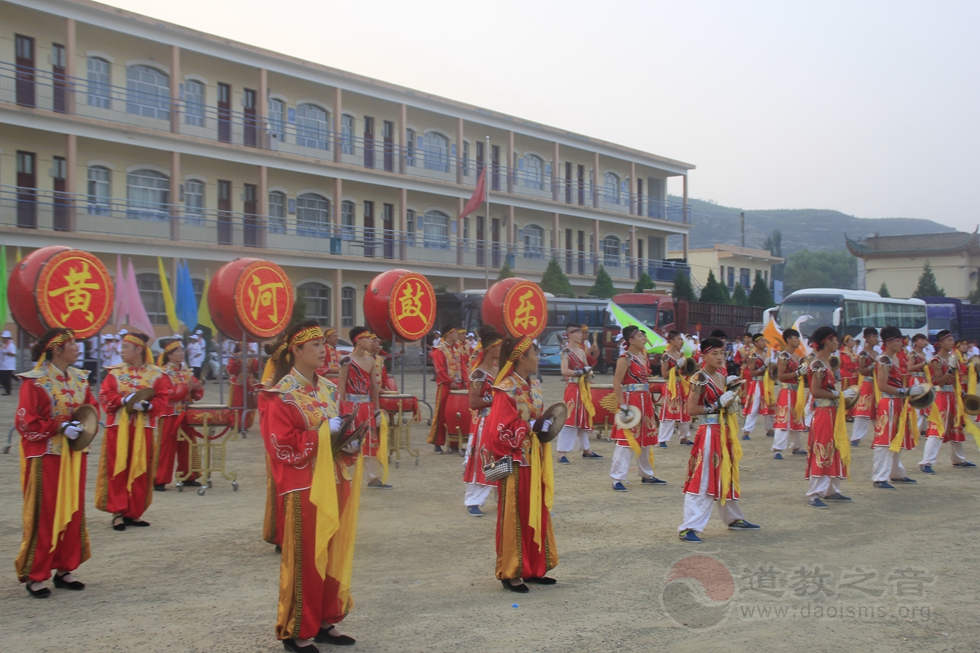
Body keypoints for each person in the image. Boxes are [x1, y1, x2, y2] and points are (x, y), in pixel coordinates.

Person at [260, 320, 360, 652]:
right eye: (315, 345)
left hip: (335, 480)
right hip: (304, 486)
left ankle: (325, 620)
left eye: (323, 344)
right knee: (306, 558)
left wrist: (349, 441)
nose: (323, 350)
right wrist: (323, 435)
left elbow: (341, 427)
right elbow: (281, 446)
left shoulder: (329, 390)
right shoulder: (281, 394)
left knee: (332, 552)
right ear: (296, 351)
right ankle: (298, 629)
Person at [15, 328, 99, 597]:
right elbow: (26, 421)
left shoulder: (80, 378)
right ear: (56, 349)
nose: (77, 347)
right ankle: (36, 574)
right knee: (45, 512)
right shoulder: (36, 381)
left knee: (73, 511)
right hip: (46, 456)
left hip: (73, 454)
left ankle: (65, 568)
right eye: (72, 344)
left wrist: (82, 427)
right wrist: (59, 427)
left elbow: (91, 409)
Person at [485, 335, 558, 592]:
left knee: (536, 510)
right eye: (535, 354)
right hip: (514, 462)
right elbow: (498, 431)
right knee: (514, 515)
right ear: (520, 358)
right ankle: (511, 570)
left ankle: (534, 567)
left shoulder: (533, 386)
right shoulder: (505, 388)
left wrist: (545, 423)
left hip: (534, 460)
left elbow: (536, 420)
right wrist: (530, 426)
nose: (538, 358)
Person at [678, 337, 760, 543]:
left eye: (722, 353)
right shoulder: (699, 378)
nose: (720, 357)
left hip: (724, 431)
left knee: (727, 474)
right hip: (708, 431)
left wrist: (730, 403)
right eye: (714, 353)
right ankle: (689, 525)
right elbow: (692, 409)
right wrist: (716, 406)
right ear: (703, 355)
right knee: (703, 475)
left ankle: (733, 518)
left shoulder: (722, 376)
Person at [96, 332, 172, 531]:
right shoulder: (114, 372)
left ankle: (133, 512)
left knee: (141, 468)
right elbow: (105, 395)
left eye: (126, 348)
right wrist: (123, 401)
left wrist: (147, 407)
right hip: (118, 428)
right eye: (122, 348)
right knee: (118, 467)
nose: (121, 352)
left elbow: (163, 399)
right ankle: (117, 512)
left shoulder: (156, 375)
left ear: (139, 350)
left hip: (143, 428)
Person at [609, 325, 665, 490]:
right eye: (640, 336)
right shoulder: (625, 358)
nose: (644, 338)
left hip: (645, 400)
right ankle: (617, 478)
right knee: (626, 439)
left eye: (643, 336)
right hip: (631, 400)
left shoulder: (643, 356)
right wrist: (623, 406)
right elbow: (617, 382)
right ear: (631, 340)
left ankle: (647, 474)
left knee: (645, 439)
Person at [804, 326, 852, 508]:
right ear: (826, 342)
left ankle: (831, 489)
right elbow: (815, 391)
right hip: (824, 412)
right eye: (834, 340)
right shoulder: (817, 364)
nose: (837, 343)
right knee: (823, 448)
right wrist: (838, 395)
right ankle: (814, 493)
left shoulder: (826, 363)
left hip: (832, 412)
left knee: (835, 446)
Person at [918, 330, 975, 473]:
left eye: (952, 340)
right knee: (937, 427)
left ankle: (958, 459)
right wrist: (951, 369)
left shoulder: (952, 357)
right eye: (949, 341)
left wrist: (961, 393)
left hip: (952, 396)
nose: (952, 343)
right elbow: (939, 382)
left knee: (956, 426)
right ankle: (926, 462)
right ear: (941, 343)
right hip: (941, 397)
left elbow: (955, 380)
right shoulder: (936, 360)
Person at [339, 327, 388, 489]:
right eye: (367, 338)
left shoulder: (371, 361)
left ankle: (373, 478)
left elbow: (374, 387)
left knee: (370, 441)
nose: (371, 341)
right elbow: (342, 387)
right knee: (348, 441)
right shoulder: (346, 361)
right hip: (351, 407)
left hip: (367, 407)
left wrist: (376, 410)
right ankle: (342, 475)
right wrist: (340, 410)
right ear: (358, 340)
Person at [871, 326, 919, 489]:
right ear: (890, 342)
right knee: (884, 440)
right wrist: (904, 391)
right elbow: (882, 385)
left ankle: (896, 473)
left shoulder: (896, 359)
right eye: (899, 341)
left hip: (898, 402)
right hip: (888, 403)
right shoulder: (884, 360)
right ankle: (879, 477)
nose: (902, 344)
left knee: (897, 438)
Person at [153, 339, 205, 491]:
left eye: (182, 351)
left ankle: (189, 475)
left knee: (188, 444)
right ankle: (159, 479)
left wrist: (197, 388)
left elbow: (196, 394)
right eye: (177, 351)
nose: (181, 354)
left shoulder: (186, 371)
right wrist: (186, 387)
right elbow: (168, 394)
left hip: (187, 413)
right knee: (166, 446)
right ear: (169, 355)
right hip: (170, 414)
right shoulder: (162, 373)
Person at [463, 327, 503, 517]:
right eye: (499, 346)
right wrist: (496, 399)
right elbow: (473, 402)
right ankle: (473, 500)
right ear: (490, 348)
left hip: (499, 420)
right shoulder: (478, 374)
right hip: (485, 420)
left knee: (498, 457)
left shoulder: (499, 370)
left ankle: (500, 496)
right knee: (482, 457)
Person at [556, 323, 602, 463]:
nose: (580, 335)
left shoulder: (582, 352)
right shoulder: (566, 352)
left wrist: (588, 374)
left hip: (582, 387)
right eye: (577, 333)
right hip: (572, 388)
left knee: (583, 417)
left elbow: (585, 367)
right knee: (570, 418)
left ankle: (586, 449)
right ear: (569, 335)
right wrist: (580, 372)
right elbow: (564, 371)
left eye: (581, 333)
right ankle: (562, 452)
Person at [260, 338, 289, 550]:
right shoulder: (271, 389)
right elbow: (269, 424)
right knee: (282, 491)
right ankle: (282, 535)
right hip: (281, 448)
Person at [771, 328, 808, 460]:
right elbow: (781, 376)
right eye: (796, 338)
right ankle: (777, 448)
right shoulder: (784, 356)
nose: (798, 341)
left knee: (795, 417)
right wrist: (797, 373)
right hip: (786, 391)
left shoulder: (797, 357)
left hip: (795, 391)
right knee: (784, 419)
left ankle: (796, 446)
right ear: (788, 340)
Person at [427, 325, 465, 453]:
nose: (457, 335)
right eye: (455, 333)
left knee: (456, 415)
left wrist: (465, 381)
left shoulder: (458, 349)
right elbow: (439, 369)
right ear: (449, 334)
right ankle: (437, 443)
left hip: (459, 385)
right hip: (445, 386)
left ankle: (454, 442)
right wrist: (449, 381)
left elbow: (463, 366)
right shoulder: (439, 350)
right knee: (442, 414)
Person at [658, 331, 693, 446]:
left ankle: (684, 437)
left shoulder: (682, 354)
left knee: (685, 411)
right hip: (671, 387)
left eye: (682, 339)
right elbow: (664, 375)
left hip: (682, 385)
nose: (681, 342)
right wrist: (676, 366)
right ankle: (663, 439)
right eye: (679, 339)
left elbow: (686, 372)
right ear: (671, 341)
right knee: (670, 411)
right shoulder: (666, 356)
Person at [740, 334, 773, 441]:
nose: (764, 343)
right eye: (761, 341)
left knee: (770, 405)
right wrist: (764, 366)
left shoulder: (765, 354)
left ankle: (770, 429)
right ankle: (746, 431)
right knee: (754, 407)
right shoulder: (754, 356)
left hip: (766, 383)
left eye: (764, 341)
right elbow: (752, 373)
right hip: (757, 383)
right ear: (756, 343)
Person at [852, 327, 879, 446]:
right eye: (873, 337)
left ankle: (879, 434)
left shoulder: (878, 353)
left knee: (877, 411)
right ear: (867, 338)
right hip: (867, 384)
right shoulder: (863, 354)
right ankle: (856, 437)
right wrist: (871, 368)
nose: (876, 339)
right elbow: (861, 370)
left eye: (876, 337)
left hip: (877, 385)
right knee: (863, 411)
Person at [228, 343, 260, 432]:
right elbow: (231, 370)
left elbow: (257, 368)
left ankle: (244, 425)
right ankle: (235, 424)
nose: (246, 346)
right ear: (239, 346)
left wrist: (257, 357)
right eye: (243, 344)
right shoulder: (236, 356)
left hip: (249, 383)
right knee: (237, 403)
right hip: (238, 382)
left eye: (247, 344)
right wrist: (236, 360)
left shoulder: (251, 356)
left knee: (248, 403)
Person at [0, 330, 16, 395]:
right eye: (3, 338)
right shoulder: (3, 345)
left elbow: (13, 354)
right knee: (2, 378)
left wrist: (5, 352)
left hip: (8, 365)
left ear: (8, 338)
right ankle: (7, 389)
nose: (3, 339)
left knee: (6, 379)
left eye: (5, 338)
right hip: (2, 365)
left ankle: (8, 391)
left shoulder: (11, 345)